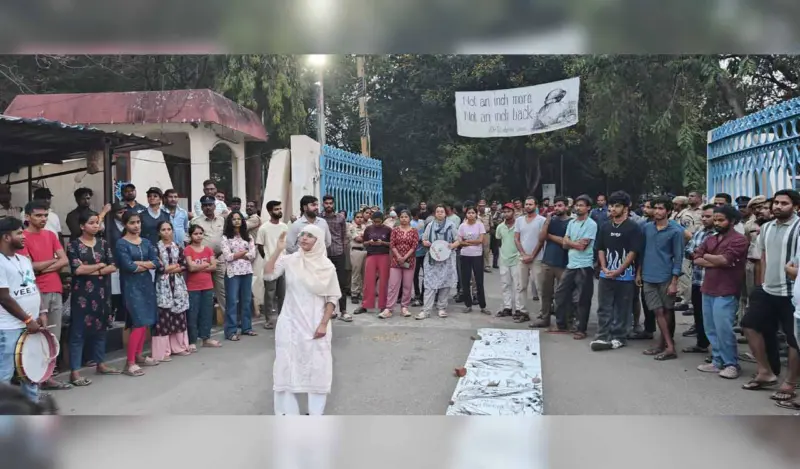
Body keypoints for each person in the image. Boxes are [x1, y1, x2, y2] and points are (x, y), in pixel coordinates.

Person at [263, 225, 340, 416]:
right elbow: (268, 274)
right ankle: (288, 416)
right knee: (286, 366)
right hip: (290, 322)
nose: (304, 238)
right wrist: (278, 250)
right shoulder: (290, 260)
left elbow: (332, 297)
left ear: (319, 240)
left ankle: (315, 416)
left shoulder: (327, 266)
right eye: (302, 235)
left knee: (317, 367)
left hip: (316, 323)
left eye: (310, 235)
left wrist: (323, 324)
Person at [741, 189, 800, 401]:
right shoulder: (765, 228)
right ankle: (765, 372)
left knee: (794, 340)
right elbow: (763, 257)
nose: (777, 206)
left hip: (791, 294)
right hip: (768, 289)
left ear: (795, 207)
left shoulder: (798, 227)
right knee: (748, 324)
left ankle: (790, 383)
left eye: (784, 203)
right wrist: (761, 284)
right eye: (775, 202)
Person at [692, 205, 748, 379]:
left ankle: (731, 363)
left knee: (724, 328)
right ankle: (717, 361)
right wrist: (713, 259)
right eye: (715, 220)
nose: (716, 223)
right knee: (711, 328)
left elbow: (724, 260)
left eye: (720, 220)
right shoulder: (711, 239)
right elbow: (696, 257)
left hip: (726, 289)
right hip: (708, 287)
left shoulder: (739, 240)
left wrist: (708, 257)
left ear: (732, 221)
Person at [19, 200, 70, 391]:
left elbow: (64, 260)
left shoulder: (50, 235)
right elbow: (29, 267)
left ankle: (48, 377)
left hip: (55, 288)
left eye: (45, 215)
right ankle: (34, 381)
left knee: (53, 336)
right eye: (38, 215)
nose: (43, 219)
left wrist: (43, 266)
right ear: (27, 217)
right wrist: (52, 262)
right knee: (36, 336)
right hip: (35, 291)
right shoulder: (22, 237)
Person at [66, 211, 120, 386]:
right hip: (81, 295)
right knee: (78, 332)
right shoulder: (73, 245)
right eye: (91, 223)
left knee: (101, 329)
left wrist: (92, 269)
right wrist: (99, 266)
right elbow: (77, 270)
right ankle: (75, 372)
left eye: (97, 222)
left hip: (102, 293)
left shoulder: (103, 244)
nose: (96, 226)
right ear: (82, 226)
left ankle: (101, 364)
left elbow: (112, 266)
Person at [0, 217, 46, 403]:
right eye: (19, 233)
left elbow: (33, 287)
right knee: (5, 375)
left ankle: (31, 415)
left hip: (31, 325)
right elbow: (3, 297)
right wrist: (28, 320)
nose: (24, 236)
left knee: (31, 372)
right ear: (6, 237)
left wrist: (42, 312)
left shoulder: (23, 259)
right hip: (8, 328)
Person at [592, 191, 643, 351]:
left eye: (617, 206)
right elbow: (600, 248)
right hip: (605, 274)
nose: (613, 209)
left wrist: (619, 270)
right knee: (604, 306)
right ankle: (602, 336)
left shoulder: (633, 227)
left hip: (625, 276)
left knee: (622, 307)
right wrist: (604, 267)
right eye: (611, 205)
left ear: (626, 208)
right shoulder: (605, 226)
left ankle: (619, 337)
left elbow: (633, 252)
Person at [638, 196, 685, 361]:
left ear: (669, 211)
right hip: (648, 275)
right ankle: (666, 345)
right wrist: (639, 273)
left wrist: (674, 282)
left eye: (661, 208)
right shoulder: (646, 228)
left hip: (666, 276)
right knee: (657, 310)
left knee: (666, 310)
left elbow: (679, 257)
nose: (657, 211)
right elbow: (642, 252)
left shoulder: (676, 231)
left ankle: (667, 346)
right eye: (655, 208)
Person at [115, 210, 161, 376]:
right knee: (139, 322)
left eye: (138, 222)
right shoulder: (121, 244)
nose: (136, 226)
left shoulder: (146, 242)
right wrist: (144, 265)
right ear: (125, 225)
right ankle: (130, 363)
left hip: (146, 284)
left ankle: (139, 355)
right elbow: (128, 266)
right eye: (132, 223)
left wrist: (140, 264)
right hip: (131, 286)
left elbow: (156, 262)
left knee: (147, 320)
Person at [552, 195, 598, 338]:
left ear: (588, 208)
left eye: (582, 205)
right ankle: (562, 323)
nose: (578, 208)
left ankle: (581, 329)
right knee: (560, 294)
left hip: (584, 265)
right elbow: (565, 243)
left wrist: (572, 243)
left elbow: (582, 246)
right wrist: (573, 243)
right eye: (577, 205)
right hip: (571, 264)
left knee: (582, 299)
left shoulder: (591, 224)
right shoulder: (572, 223)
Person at [151, 221, 191, 361]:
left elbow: (184, 265)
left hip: (178, 284)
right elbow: (160, 268)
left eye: (169, 229)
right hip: (162, 285)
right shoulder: (155, 248)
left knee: (179, 315)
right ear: (159, 232)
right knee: (164, 317)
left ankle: (178, 347)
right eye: (163, 229)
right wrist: (173, 267)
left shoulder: (178, 247)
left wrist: (170, 268)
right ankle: (163, 352)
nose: (167, 232)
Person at [530, 196, 570, 329]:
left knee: (563, 294)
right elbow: (541, 238)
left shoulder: (571, 222)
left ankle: (563, 320)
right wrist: (547, 220)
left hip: (563, 263)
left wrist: (550, 236)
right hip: (547, 261)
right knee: (545, 293)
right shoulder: (551, 221)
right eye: (556, 206)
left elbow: (566, 243)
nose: (557, 208)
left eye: (560, 205)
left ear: (566, 207)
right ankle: (544, 318)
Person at [682, 205, 715, 355]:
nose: (704, 219)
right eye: (703, 216)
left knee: (712, 318)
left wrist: (699, 254)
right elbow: (688, 249)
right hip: (697, 279)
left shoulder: (717, 235)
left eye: (708, 216)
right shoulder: (700, 232)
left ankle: (718, 352)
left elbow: (713, 255)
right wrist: (697, 254)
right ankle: (701, 344)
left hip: (711, 281)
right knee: (699, 314)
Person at [417, 205, 459, 320]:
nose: (440, 213)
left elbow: (458, 240)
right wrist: (426, 243)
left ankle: (442, 308)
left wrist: (451, 246)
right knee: (429, 284)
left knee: (445, 284)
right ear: (435, 213)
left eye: (442, 211)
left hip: (447, 260)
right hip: (432, 259)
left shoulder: (451, 226)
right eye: (438, 211)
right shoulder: (430, 226)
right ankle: (426, 310)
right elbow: (424, 239)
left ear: (446, 213)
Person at [184, 224, 221, 350]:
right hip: (192, 287)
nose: (198, 236)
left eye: (200, 233)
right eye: (195, 233)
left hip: (207, 286)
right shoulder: (188, 249)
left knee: (206, 313)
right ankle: (192, 340)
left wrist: (199, 266)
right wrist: (206, 265)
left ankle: (206, 338)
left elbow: (214, 267)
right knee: (193, 314)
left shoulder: (208, 250)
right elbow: (191, 267)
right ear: (191, 235)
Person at [221, 211, 257, 340]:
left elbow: (253, 255)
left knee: (246, 301)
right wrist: (244, 253)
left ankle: (246, 327)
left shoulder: (248, 237)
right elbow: (227, 256)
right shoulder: (226, 237)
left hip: (247, 271)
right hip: (232, 272)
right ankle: (231, 331)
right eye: (234, 219)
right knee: (232, 301)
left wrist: (237, 254)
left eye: (239, 219)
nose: (237, 221)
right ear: (230, 221)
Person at [191, 195, 227, 312]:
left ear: (214, 206)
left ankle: (228, 320)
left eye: (210, 205)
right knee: (204, 291)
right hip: (203, 261)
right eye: (205, 205)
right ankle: (205, 318)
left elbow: (226, 238)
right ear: (201, 207)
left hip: (219, 259)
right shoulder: (195, 222)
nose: (208, 208)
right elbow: (188, 242)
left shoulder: (222, 220)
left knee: (222, 290)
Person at [381, 210, 419, 318]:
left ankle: (404, 307)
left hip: (409, 261)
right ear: (399, 218)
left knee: (407, 285)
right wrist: (398, 256)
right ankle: (389, 308)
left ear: (410, 218)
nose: (403, 219)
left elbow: (414, 246)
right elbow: (392, 244)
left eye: (406, 217)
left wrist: (405, 257)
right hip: (395, 261)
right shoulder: (395, 230)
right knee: (393, 285)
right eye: (401, 217)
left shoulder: (414, 231)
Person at [256, 201, 289, 330]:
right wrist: (268, 259)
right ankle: (269, 320)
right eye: (276, 209)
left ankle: (282, 317)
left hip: (283, 263)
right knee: (270, 294)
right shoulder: (264, 228)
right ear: (270, 211)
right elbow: (260, 246)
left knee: (282, 293)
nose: (279, 211)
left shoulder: (284, 227)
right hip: (270, 264)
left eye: (280, 208)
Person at [354, 212, 392, 317]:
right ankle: (366, 304)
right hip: (371, 255)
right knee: (368, 281)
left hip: (384, 255)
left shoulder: (388, 230)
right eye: (375, 221)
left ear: (383, 220)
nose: (377, 224)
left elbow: (392, 244)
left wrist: (382, 243)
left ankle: (383, 305)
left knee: (384, 281)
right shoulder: (368, 229)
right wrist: (370, 242)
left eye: (379, 222)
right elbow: (364, 243)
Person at [514, 197, 545, 321]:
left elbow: (542, 240)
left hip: (537, 258)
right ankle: (523, 312)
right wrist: (523, 254)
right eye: (526, 204)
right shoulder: (519, 220)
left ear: (536, 206)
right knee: (521, 286)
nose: (528, 206)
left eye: (531, 204)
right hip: (522, 258)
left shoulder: (541, 220)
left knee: (540, 287)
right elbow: (516, 238)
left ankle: (544, 313)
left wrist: (532, 255)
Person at [321, 195, 349, 319]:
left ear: (334, 204)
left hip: (338, 253)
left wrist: (342, 249)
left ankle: (343, 311)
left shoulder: (340, 218)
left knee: (341, 283)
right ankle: (329, 310)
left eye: (330, 203)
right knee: (325, 283)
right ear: (323, 204)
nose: (328, 205)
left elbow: (344, 236)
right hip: (324, 255)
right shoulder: (319, 219)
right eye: (326, 203)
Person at [458, 206, 490, 314]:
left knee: (479, 280)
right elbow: (459, 241)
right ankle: (468, 305)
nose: (471, 214)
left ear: (476, 214)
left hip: (477, 255)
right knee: (465, 281)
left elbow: (481, 240)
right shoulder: (462, 226)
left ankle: (483, 306)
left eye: (473, 213)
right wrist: (471, 242)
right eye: (469, 213)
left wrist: (467, 242)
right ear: (466, 214)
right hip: (465, 255)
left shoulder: (479, 225)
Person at [495, 203, 524, 317]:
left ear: (513, 212)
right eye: (505, 212)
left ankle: (518, 309)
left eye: (509, 211)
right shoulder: (500, 227)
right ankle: (507, 307)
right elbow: (499, 241)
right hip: (504, 259)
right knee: (505, 285)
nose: (506, 214)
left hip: (517, 259)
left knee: (518, 285)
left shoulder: (519, 225)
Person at [349, 210, 368, 305]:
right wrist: (364, 236)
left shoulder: (365, 227)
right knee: (356, 273)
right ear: (354, 218)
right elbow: (358, 239)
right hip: (356, 251)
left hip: (365, 251)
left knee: (364, 274)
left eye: (361, 217)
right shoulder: (351, 227)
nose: (360, 219)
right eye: (357, 217)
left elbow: (368, 238)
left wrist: (364, 236)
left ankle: (362, 293)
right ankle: (354, 294)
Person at [410, 208, 427, 306]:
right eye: (417, 215)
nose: (419, 216)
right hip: (415, 253)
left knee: (426, 272)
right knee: (415, 274)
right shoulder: (411, 224)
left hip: (423, 251)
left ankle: (424, 292)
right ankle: (417, 292)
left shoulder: (422, 222)